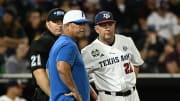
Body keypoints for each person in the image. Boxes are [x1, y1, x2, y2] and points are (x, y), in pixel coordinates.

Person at [81, 11, 144, 101]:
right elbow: (79, 75)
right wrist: (94, 95)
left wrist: (132, 84)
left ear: (114, 25)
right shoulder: (88, 52)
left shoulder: (126, 41)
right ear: (96, 29)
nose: (107, 28)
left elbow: (136, 63)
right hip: (109, 96)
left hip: (133, 95)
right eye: (103, 25)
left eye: (110, 24)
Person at [46, 10, 93, 101]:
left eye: (83, 24)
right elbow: (62, 68)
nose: (82, 27)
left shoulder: (59, 42)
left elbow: (48, 70)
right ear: (67, 26)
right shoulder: (68, 44)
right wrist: (74, 90)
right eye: (78, 24)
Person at [29, 8, 65, 101]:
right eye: (55, 21)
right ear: (47, 24)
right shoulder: (41, 42)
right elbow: (39, 74)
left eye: (62, 21)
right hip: (47, 95)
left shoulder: (69, 42)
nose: (60, 25)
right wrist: (55, 98)